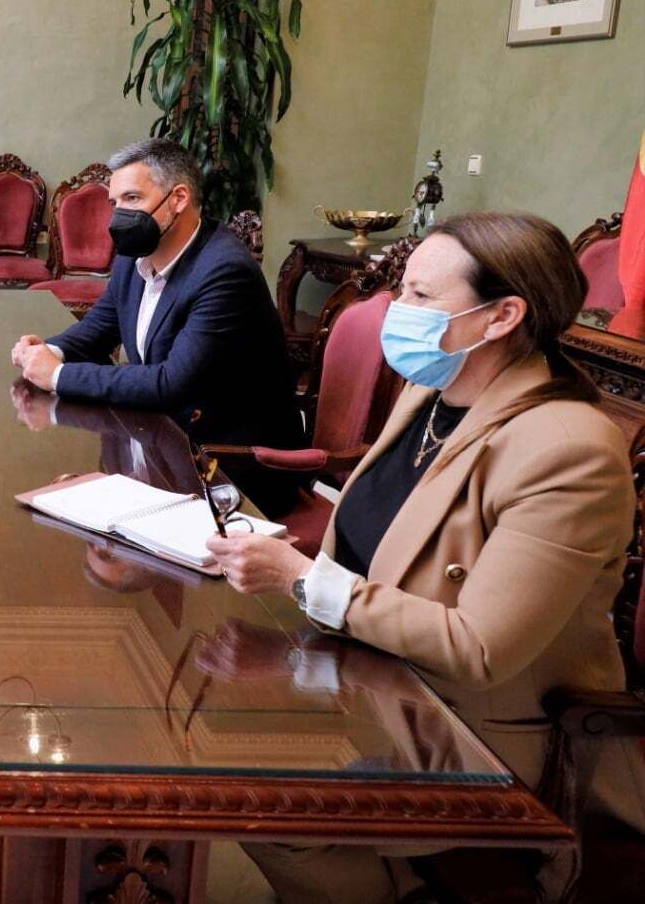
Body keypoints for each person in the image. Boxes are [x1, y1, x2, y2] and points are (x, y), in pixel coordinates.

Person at [204, 212, 645, 903]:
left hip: (482, 734)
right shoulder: (432, 393)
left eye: (418, 296)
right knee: (215, 740)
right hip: (381, 679)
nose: (392, 310)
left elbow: (477, 649)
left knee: (262, 798)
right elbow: (388, 542)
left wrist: (303, 582)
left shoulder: (570, 450)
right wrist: (290, 564)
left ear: (501, 316)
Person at [9, 138, 298, 453]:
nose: (119, 216)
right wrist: (48, 350)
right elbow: (99, 328)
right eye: (115, 204)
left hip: (228, 462)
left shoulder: (225, 272)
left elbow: (170, 384)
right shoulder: (134, 257)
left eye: (132, 198)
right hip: (160, 438)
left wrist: (58, 375)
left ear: (178, 198)